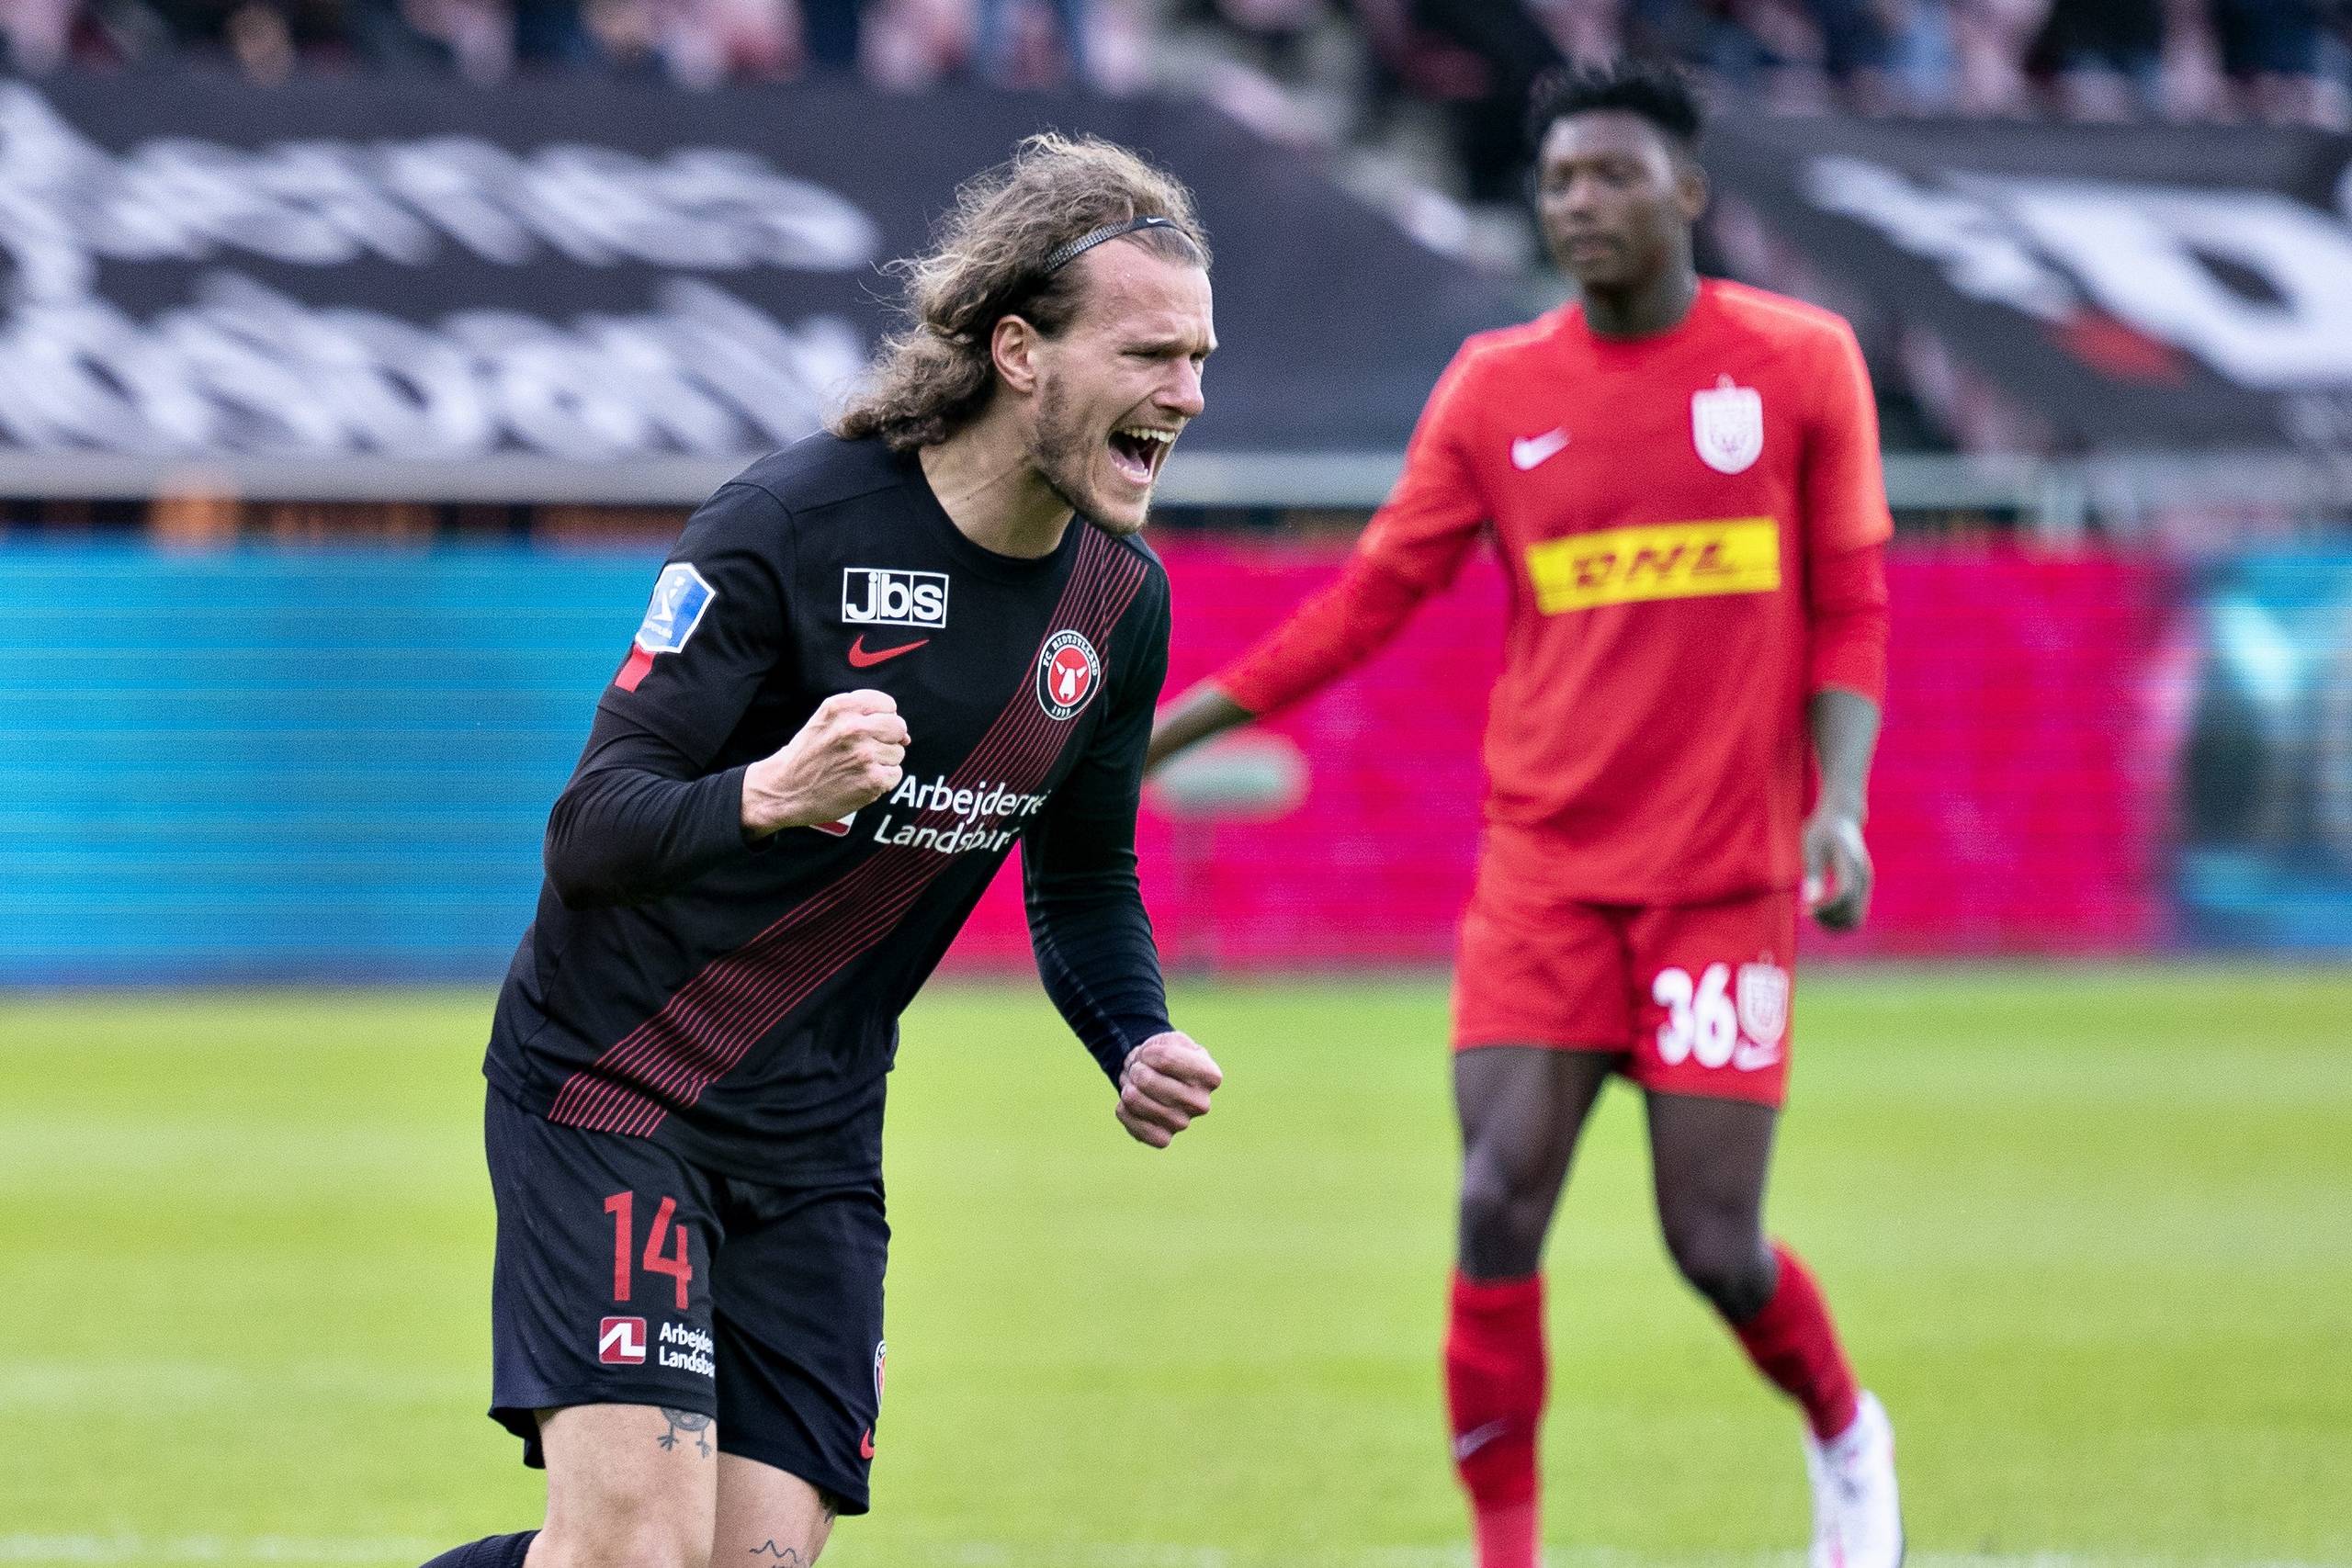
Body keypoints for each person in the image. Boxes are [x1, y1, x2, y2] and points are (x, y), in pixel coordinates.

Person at [420, 133, 1226, 1568]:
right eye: (1153, 353)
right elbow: (591, 827)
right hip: (618, 1086)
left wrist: (1133, 1035)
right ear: (1019, 351)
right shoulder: (789, 525)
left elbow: (1084, 871)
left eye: (1201, 358)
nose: (1189, 395)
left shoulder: (1118, 604)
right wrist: (770, 792)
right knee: (633, 1554)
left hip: (817, 1135)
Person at [1148, 61, 1901, 1568]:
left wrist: (1841, 807)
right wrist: (1179, 723)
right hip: (1548, 873)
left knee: (1714, 1246)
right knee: (1494, 1207)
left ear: (1687, 192)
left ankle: (1843, 1431)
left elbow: (1852, 606)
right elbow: (1374, 599)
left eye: (1614, 176)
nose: (1581, 205)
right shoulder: (1498, 389)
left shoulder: (1803, 364)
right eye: (1559, 182)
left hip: (1725, 883)